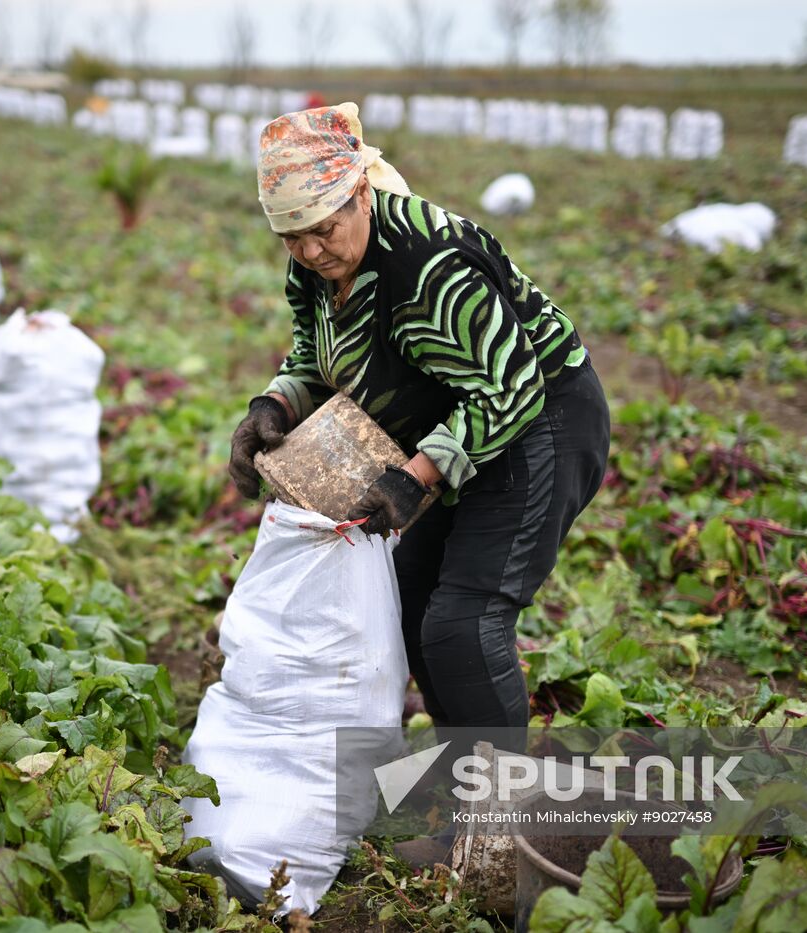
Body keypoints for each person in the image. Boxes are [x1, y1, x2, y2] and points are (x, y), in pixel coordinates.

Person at [227, 102, 611, 866]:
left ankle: (502, 836)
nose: (308, 249)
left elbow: (508, 386)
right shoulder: (317, 264)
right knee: (409, 602)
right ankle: (467, 786)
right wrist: (272, 405)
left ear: (360, 194)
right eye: (290, 236)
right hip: (458, 428)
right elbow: (313, 352)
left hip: (540, 420)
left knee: (464, 621)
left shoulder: (433, 266)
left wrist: (415, 478)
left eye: (323, 229)